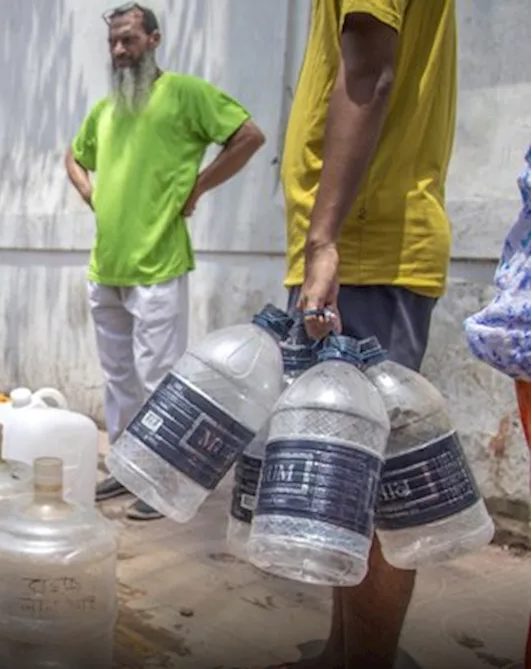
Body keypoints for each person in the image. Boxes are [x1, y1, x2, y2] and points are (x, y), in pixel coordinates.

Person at [279, 0, 456, 667]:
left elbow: (370, 72)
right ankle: (341, 651)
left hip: (366, 246)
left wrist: (323, 239)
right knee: (342, 475)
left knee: (375, 484)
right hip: (355, 245)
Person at [66, 3, 265, 520]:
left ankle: (164, 482)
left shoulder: (186, 94)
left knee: (160, 379)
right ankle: (128, 468)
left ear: (153, 40)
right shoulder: (106, 110)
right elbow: (73, 155)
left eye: (129, 39)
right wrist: (89, 190)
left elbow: (249, 136)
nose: (118, 50)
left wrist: (200, 185)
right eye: (113, 42)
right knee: (118, 380)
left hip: (159, 262)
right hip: (105, 266)